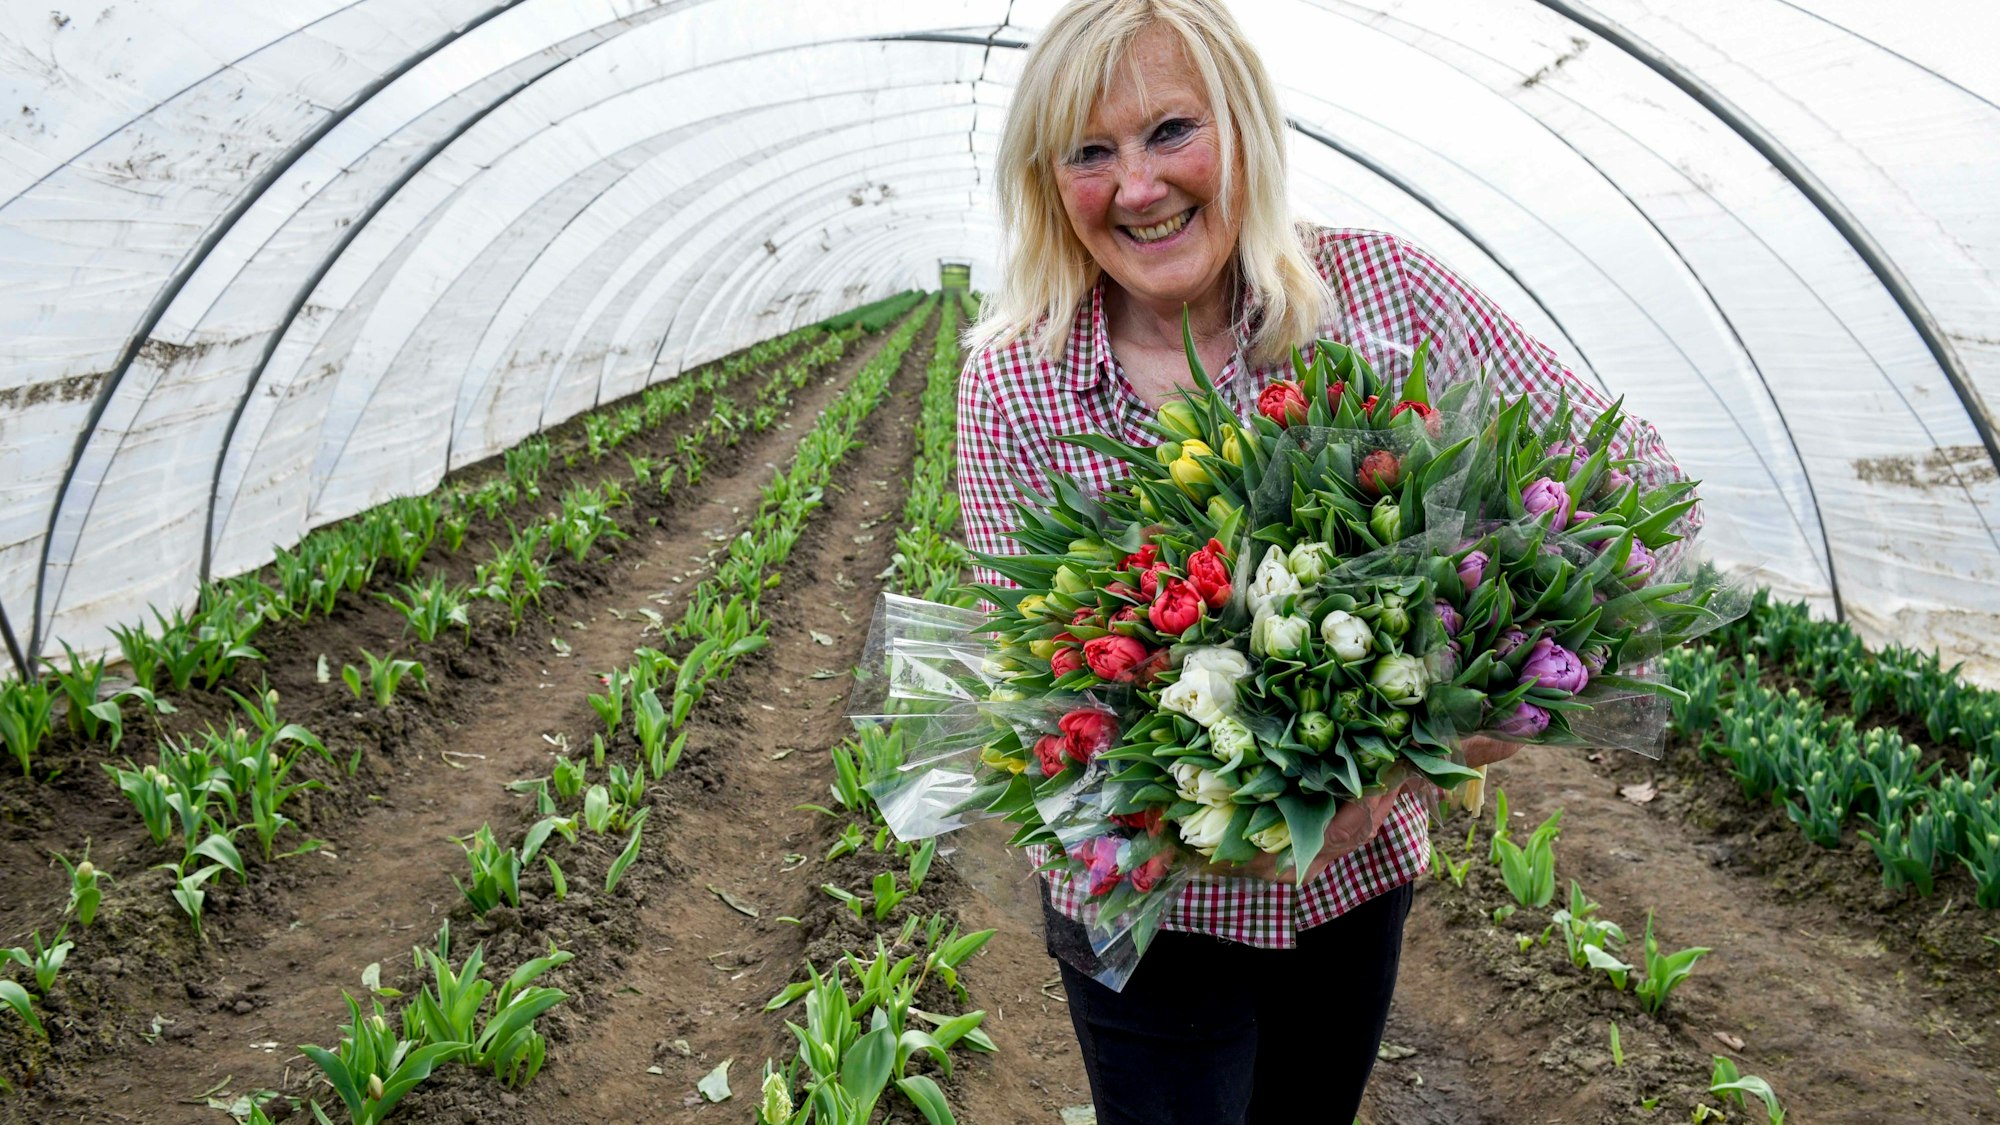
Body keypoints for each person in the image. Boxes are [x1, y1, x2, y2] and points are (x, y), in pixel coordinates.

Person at [954, 1, 1686, 1121]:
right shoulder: (1015, 380)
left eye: (1169, 132)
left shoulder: (1385, 299)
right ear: (1048, 183)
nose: (1137, 187)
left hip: (1350, 892)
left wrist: (1436, 736)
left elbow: (1638, 490)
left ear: (1243, 128)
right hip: (1144, 915)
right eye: (1089, 152)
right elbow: (1032, 703)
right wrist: (1187, 811)